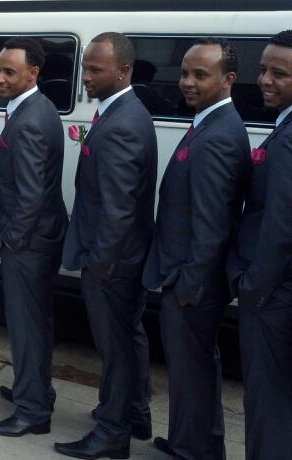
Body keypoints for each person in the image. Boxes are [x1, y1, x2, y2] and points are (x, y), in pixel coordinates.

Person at [143, 38, 249, 460]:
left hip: (193, 283)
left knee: (195, 367)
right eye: (185, 73)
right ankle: (191, 440)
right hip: (187, 276)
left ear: (228, 80)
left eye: (199, 75)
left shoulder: (220, 134)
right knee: (190, 369)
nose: (187, 82)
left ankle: (198, 449)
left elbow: (213, 225)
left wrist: (189, 285)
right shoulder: (208, 122)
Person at [56, 32, 157, 459]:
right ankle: (134, 413)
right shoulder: (120, 113)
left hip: (113, 263)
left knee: (114, 348)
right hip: (122, 259)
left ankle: (112, 433)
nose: (86, 77)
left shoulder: (123, 124)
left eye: (95, 70)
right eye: (85, 68)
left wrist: (100, 265)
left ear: (124, 71)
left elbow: (118, 209)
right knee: (129, 339)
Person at [0, 37, 67, 438]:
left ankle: (31, 410)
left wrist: (14, 239)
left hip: (29, 243)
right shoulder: (36, 108)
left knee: (26, 326)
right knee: (36, 323)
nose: (0, 78)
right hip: (39, 238)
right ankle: (35, 390)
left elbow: (31, 194)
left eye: (9, 72)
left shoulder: (31, 119)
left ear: (33, 73)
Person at [227, 29, 292, 460]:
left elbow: (281, 227)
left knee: (268, 403)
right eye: (263, 69)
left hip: (272, 297)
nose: (265, 80)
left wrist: (252, 288)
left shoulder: (288, 140)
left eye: (280, 73)